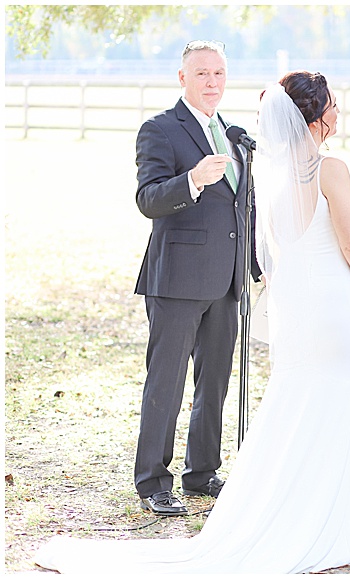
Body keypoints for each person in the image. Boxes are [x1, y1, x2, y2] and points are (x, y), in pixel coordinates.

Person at [34, 71, 350, 573]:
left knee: (299, 402)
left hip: (298, 305)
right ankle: (326, 514)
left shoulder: (272, 170)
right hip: (328, 303)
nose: (338, 111)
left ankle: (288, 504)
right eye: (332, 104)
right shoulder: (331, 167)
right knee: (329, 402)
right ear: (317, 115)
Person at [131, 40, 261, 515]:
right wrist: (193, 180)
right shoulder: (161, 129)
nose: (212, 82)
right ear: (182, 78)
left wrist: (253, 266)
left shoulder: (232, 132)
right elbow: (148, 199)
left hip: (227, 281)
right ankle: (153, 482)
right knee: (166, 382)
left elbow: (240, 207)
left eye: (220, 74)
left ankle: (202, 472)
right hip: (177, 280)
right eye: (203, 74)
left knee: (215, 382)